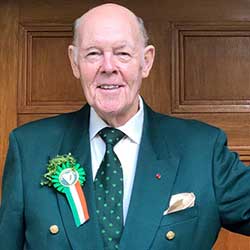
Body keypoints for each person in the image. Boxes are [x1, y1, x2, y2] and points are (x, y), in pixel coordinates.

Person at [1, 3, 250, 250]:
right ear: (75, 62)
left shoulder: (203, 149)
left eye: (122, 54)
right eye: (93, 54)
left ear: (146, 61)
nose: (108, 67)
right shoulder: (29, 148)